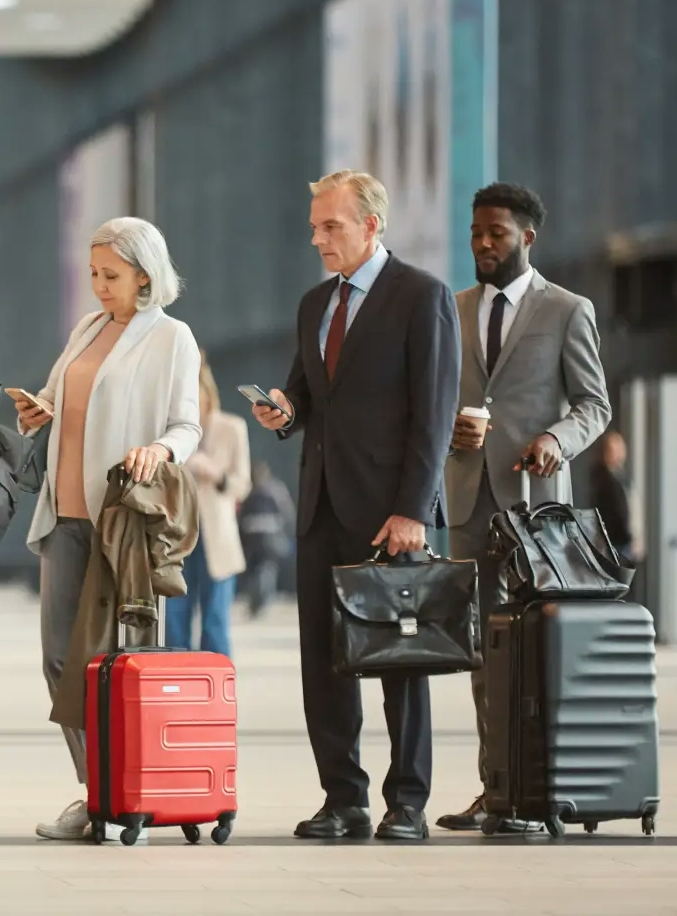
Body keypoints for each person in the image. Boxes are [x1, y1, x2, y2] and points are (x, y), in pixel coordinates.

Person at [251, 169, 460, 843]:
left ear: (371, 224)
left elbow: (431, 416)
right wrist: (280, 414)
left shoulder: (420, 297)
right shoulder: (314, 304)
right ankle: (343, 799)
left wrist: (411, 510)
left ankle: (407, 803)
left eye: (330, 226)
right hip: (320, 507)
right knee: (324, 663)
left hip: (386, 514)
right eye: (314, 227)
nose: (318, 238)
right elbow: (304, 397)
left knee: (400, 663)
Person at [11, 217, 202, 842]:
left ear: (145, 275)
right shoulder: (87, 329)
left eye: (110, 276)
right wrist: (40, 410)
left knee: (123, 662)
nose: (99, 286)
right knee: (61, 660)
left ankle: (131, 795)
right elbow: (65, 396)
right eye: (93, 273)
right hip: (64, 513)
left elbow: (187, 426)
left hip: (121, 520)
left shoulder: (172, 338)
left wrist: (159, 449)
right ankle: (99, 793)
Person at [435, 182, 611, 834]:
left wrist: (552, 441)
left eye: (496, 234)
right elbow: (430, 401)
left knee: (537, 651)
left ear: (526, 238)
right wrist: (450, 428)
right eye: (476, 233)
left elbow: (593, 405)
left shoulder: (567, 309)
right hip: (467, 502)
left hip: (536, 513)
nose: (482, 244)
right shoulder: (449, 310)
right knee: (483, 654)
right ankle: (497, 789)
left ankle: (541, 792)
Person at [166, 354, 251, 656]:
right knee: (175, 620)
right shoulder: (171, 432)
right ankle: (177, 687)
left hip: (218, 538)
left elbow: (242, 485)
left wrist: (214, 473)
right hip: (178, 536)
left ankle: (216, 691)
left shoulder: (232, 427)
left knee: (215, 621)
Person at [237, 461, 295, 618]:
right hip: (270, 536)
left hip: (251, 536)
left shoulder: (248, 489)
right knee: (266, 570)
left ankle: (257, 602)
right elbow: (286, 511)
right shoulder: (276, 489)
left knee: (256, 570)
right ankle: (260, 601)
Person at [591, 431, 635, 563]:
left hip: (623, 543)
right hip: (615, 543)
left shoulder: (620, 475)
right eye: (612, 449)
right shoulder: (603, 478)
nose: (618, 453)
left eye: (619, 448)